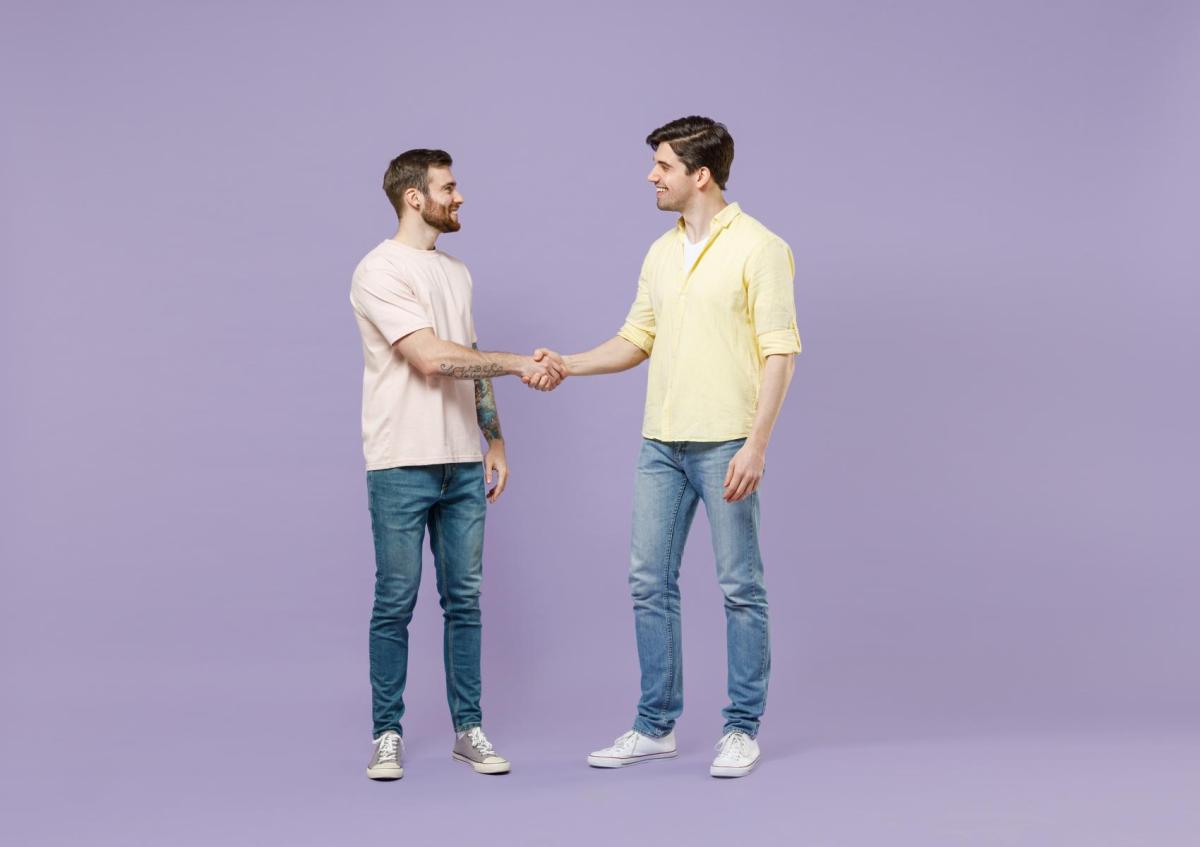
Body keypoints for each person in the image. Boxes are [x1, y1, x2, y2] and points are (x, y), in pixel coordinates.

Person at [530, 117, 800, 778]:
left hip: (727, 442)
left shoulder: (760, 247)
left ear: (699, 174)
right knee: (648, 580)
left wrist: (756, 445)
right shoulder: (659, 251)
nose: (653, 176)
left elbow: (780, 352)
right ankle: (655, 725)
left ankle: (741, 729)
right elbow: (636, 339)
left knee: (740, 586)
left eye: (664, 166)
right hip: (662, 445)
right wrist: (567, 362)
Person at [350, 148, 564, 780]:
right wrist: (522, 362)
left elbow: (466, 358)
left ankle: (468, 729)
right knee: (395, 601)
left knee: (464, 601)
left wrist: (493, 438)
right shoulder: (377, 270)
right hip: (400, 462)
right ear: (414, 197)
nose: (460, 196)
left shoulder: (459, 273)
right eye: (449, 187)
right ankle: (386, 733)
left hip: (462, 465)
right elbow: (431, 359)